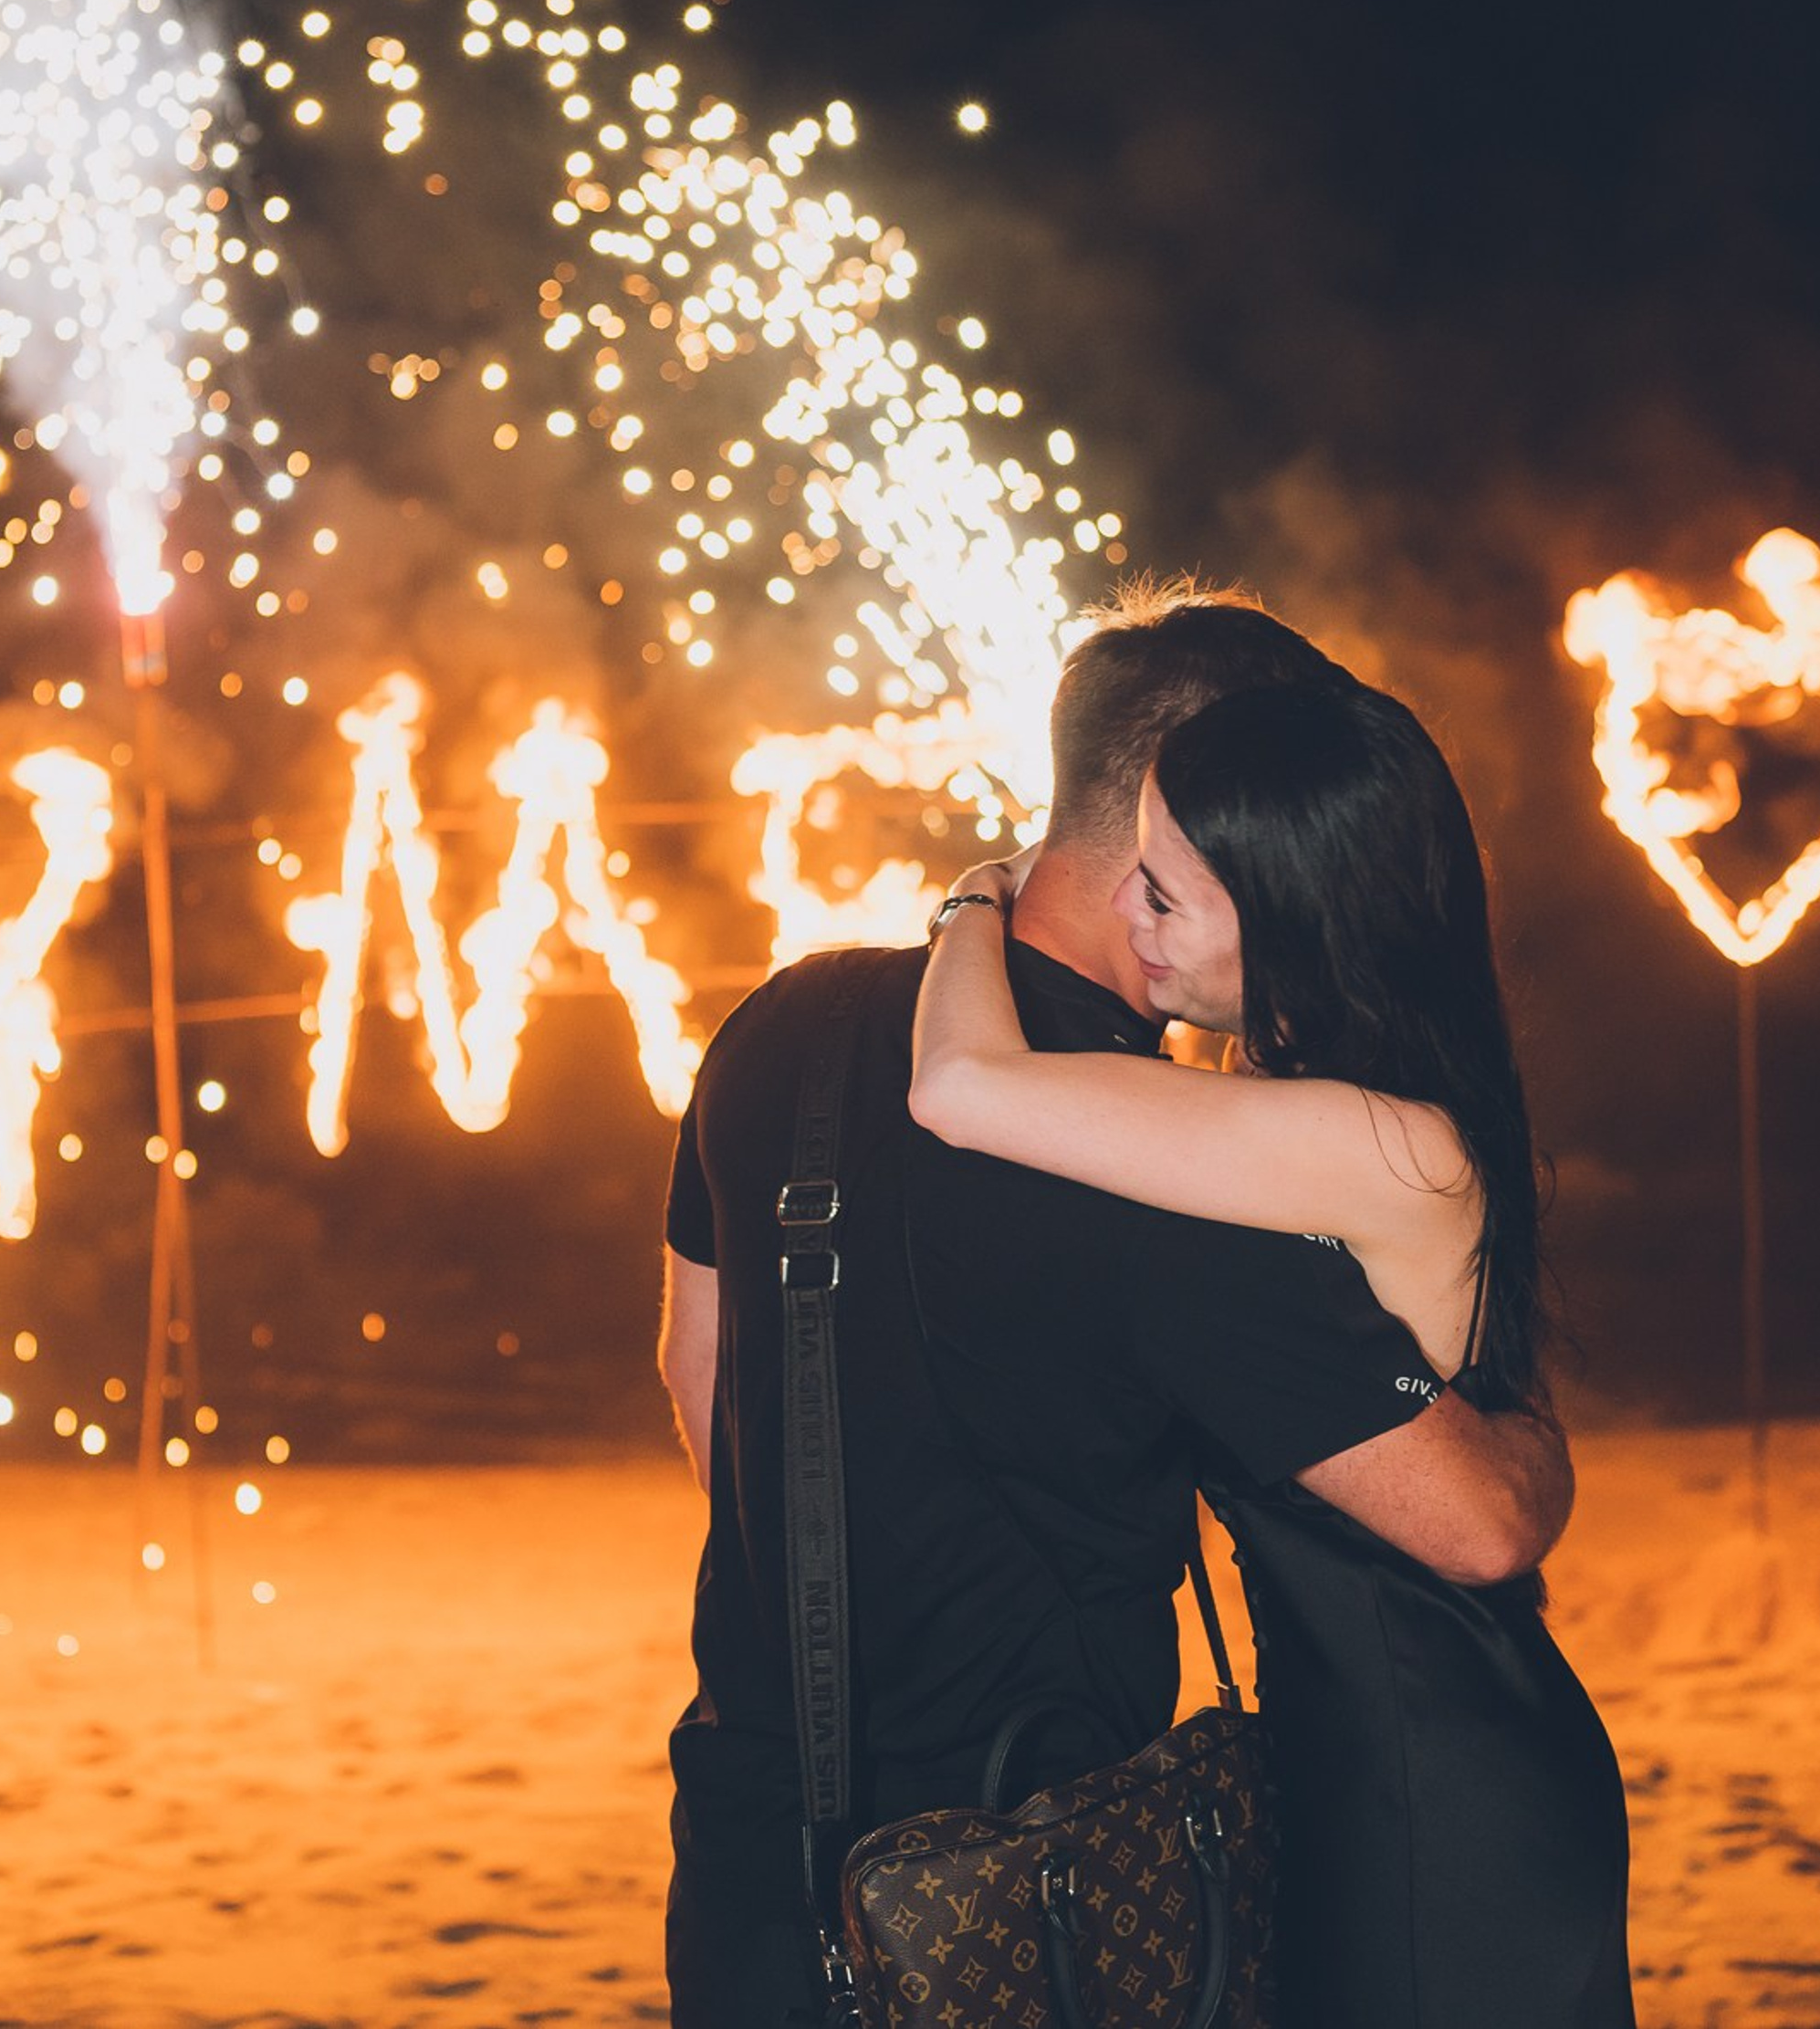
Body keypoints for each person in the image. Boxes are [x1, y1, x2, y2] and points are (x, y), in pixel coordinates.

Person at [657, 586, 1576, 2029]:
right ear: (1191, 800)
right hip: (1037, 1873)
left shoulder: (786, 1016)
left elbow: (698, 1373)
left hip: (752, 1843)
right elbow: (1472, 1518)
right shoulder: (1166, 1162)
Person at [911, 671, 1635, 2027]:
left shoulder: (1358, 1137)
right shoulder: (1349, 1101)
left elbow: (958, 1088)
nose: (1126, 914)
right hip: (1398, 1743)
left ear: (1293, 923)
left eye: (1163, 894)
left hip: (1434, 1774)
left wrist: (969, 902)